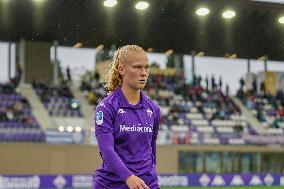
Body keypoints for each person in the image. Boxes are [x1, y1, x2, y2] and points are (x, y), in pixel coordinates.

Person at [93, 45, 160, 189]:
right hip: (112, 185)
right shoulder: (106, 108)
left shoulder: (153, 109)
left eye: (146, 67)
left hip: (146, 184)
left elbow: (151, 148)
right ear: (121, 69)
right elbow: (106, 150)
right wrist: (128, 177)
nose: (144, 73)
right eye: (137, 67)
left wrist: (151, 175)